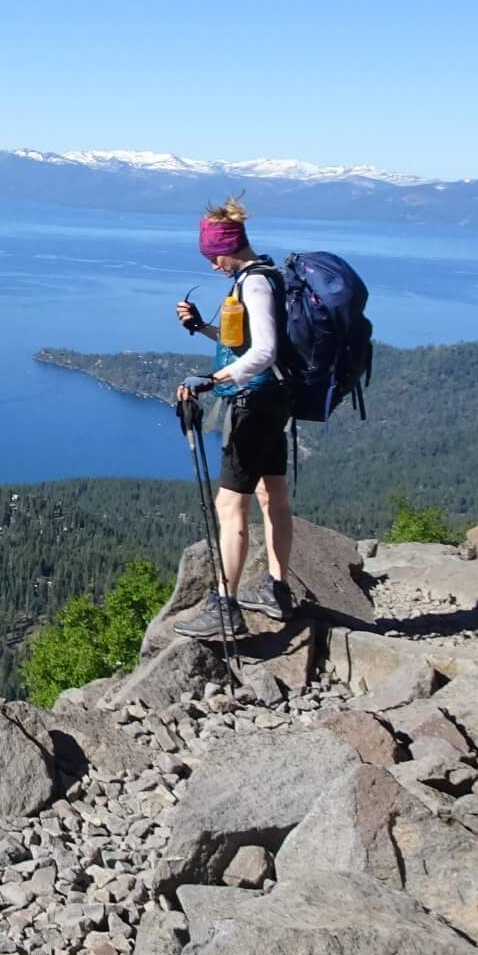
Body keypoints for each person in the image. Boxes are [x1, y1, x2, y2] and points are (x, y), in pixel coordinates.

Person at [168, 198, 294, 639]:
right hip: (275, 399)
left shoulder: (253, 284)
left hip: (254, 404)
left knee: (230, 503)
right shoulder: (266, 276)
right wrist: (202, 328)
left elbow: (263, 352)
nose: (213, 267)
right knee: (271, 493)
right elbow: (246, 341)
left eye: (212, 258)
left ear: (224, 251)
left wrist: (210, 379)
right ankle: (278, 591)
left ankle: (226, 604)